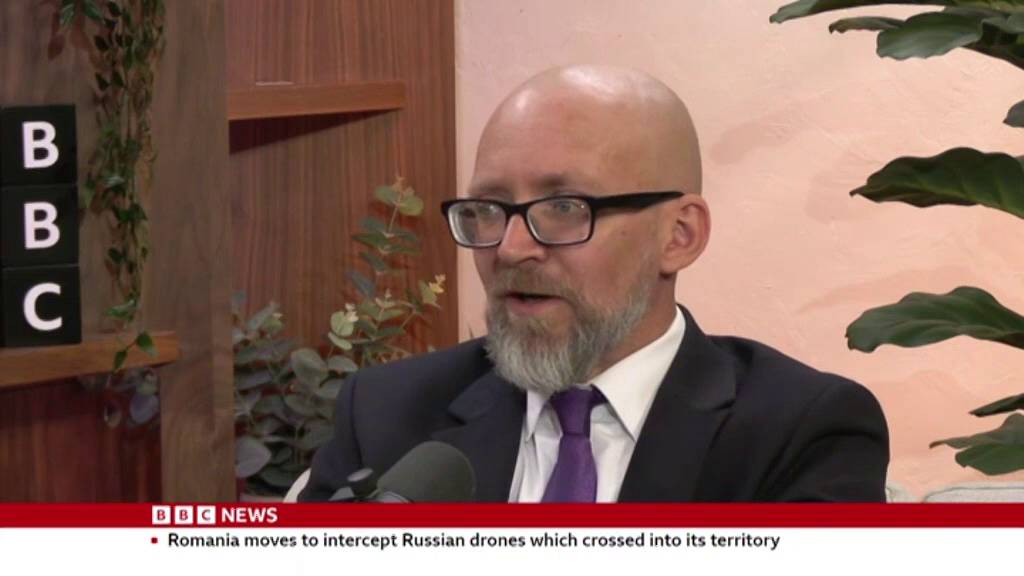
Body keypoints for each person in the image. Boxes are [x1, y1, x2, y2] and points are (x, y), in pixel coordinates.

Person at [300, 65, 889, 502]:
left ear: (679, 235)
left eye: (564, 207)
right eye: (489, 208)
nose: (510, 248)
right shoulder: (386, 413)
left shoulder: (802, 433)